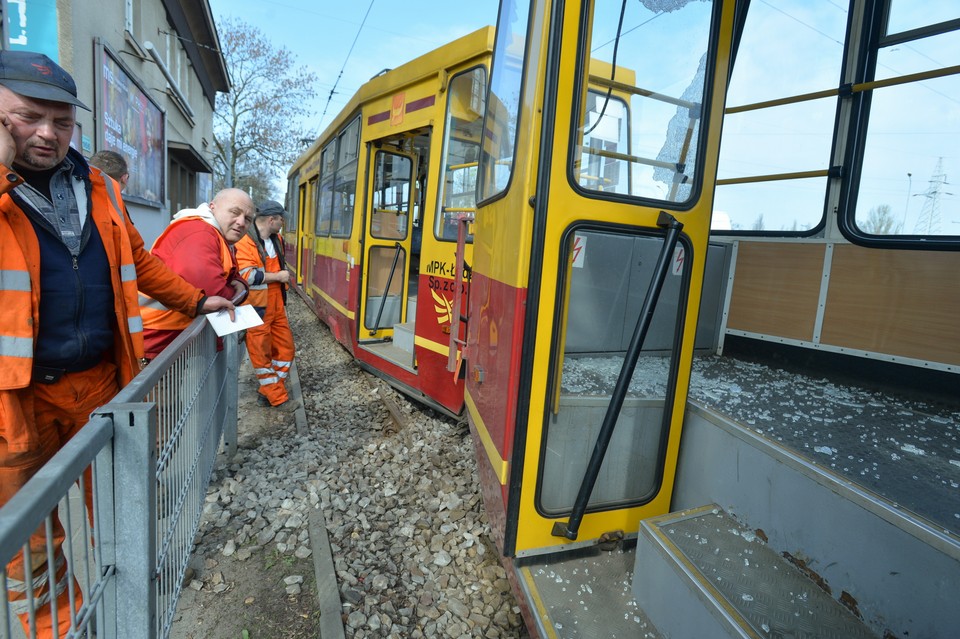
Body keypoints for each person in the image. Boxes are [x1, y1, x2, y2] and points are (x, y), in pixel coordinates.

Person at [0, 50, 235, 638]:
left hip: (98, 379)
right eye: (28, 117)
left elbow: (139, 262)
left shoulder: (97, 185)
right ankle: (57, 630)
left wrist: (197, 301)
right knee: (30, 540)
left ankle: (140, 593)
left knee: (124, 498)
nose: (48, 134)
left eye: (62, 120)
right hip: (13, 400)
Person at [140, 188, 253, 360]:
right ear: (212, 207)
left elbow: (230, 275)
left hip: (165, 340)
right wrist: (241, 290)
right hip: (156, 342)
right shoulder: (200, 233)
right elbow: (213, 293)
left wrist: (241, 284)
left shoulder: (217, 235)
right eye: (234, 212)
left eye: (248, 219)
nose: (241, 222)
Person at [236, 200, 296, 407]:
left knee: (286, 350)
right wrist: (278, 276)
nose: (282, 224)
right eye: (281, 220)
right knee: (261, 357)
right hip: (256, 309)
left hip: (276, 305)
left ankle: (267, 391)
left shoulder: (275, 239)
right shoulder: (245, 242)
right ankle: (278, 399)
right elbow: (247, 275)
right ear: (272, 219)